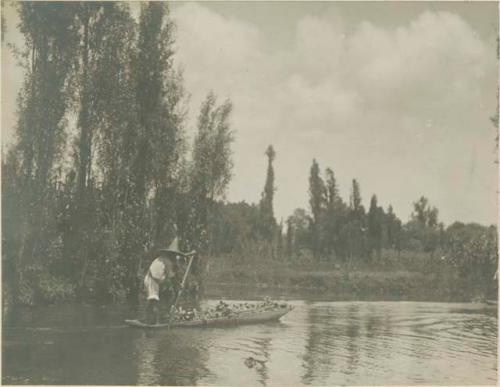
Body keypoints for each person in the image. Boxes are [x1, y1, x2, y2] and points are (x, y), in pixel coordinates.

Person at [144, 237, 195, 324]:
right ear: (170, 255)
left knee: (152, 301)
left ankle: (149, 319)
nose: (175, 258)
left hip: (151, 279)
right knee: (154, 301)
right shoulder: (167, 261)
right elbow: (172, 276)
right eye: (174, 256)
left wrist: (189, 254)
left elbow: (171, 275)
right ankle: (151, 321)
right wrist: (179, 284)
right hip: (152, 280)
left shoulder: (164, 259)